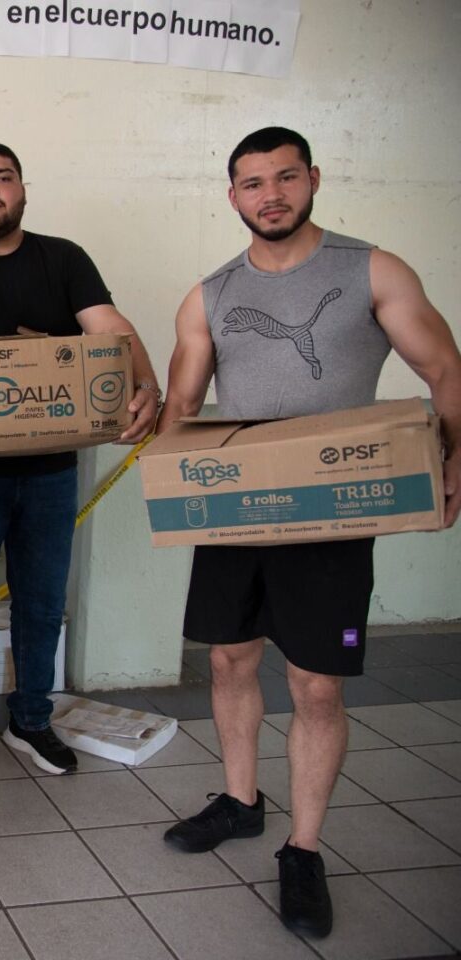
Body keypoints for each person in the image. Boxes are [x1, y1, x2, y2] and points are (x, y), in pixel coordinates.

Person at [159, 126, 461, 939]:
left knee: (316, 685)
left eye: (286, 177)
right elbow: (180, 406)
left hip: (332, 512)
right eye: (253, 183)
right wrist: (138, 420)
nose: (272, 195)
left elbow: (444, 369)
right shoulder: (210, 294)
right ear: (233, 196)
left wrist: (455, 459)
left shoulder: (371, 270)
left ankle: (303, 847)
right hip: (233, 510)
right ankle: (240, 800)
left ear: (314, 179)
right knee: (229, 659)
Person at [0, 142, 161, 780]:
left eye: (3, 178)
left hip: (51, 471)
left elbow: (110, 327)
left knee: (43, 603)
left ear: (22, 190)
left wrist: (147, 386)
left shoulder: (64, 258)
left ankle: (30, 719)